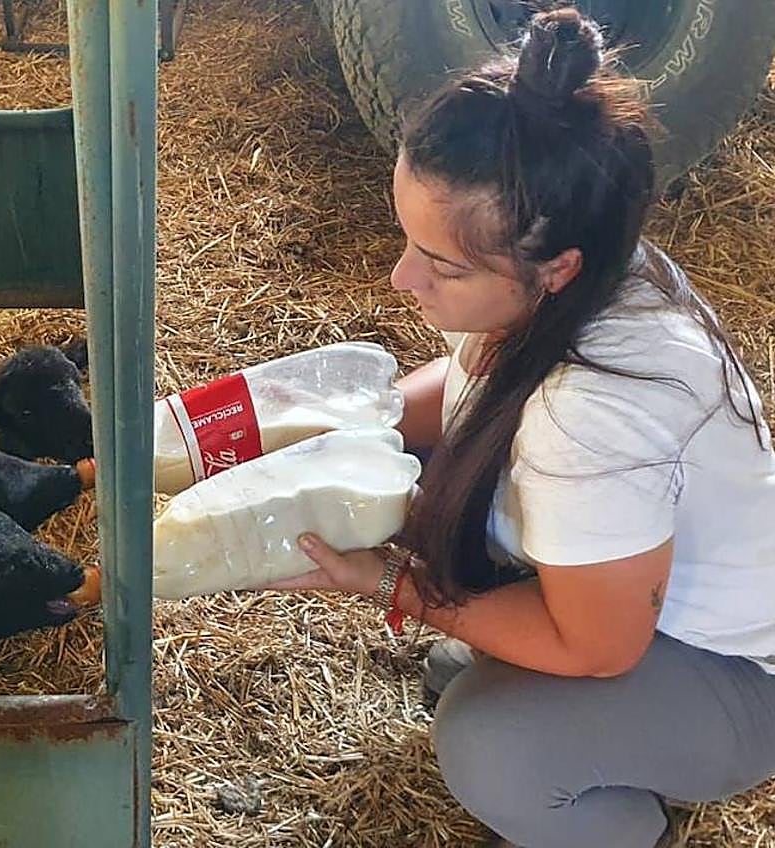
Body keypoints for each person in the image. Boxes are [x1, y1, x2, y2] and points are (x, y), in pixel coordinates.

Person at [263, 8, 775, 848]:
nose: (401, 279)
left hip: (735, 672)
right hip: (631, 609)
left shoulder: (598, 410)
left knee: (492, 744)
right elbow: (466, 381)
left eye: (443, 265)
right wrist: (350, 425)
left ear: (555, 268)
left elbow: (599, 646)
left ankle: (626, 829)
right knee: (461, 669)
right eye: (410, 242)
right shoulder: (570, 262)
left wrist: (390, 584)